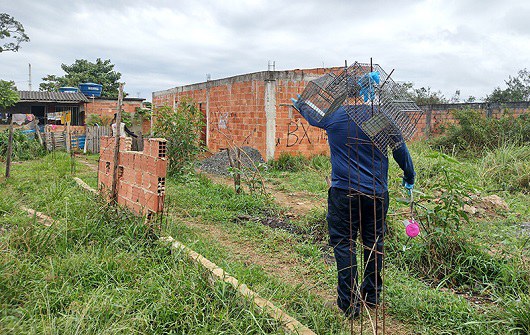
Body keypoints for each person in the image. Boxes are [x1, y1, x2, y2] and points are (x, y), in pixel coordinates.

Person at [291, 96, 415, 318]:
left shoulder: (334, 116)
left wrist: (300, 104)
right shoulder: (382, 118)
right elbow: (400, 151)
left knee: (344, 244)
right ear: (371, 93)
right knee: (374, 243)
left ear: (345, 91)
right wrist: (409, 174)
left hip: (343, 193)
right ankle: (372, 296)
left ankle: (349, 303)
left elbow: (310, 114)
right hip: (376, 194)